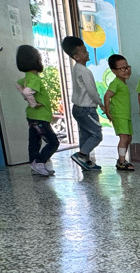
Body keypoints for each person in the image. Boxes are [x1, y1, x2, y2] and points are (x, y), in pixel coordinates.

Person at [61, 35, 105, 171]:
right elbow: (92, 91)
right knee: (97, 134)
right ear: (76, 56)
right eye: (84, 51)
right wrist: (101, 103)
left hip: (77, 108)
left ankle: (86, 161)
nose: (87, 53)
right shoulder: (85, 71)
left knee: (85, 135)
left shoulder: (76, 68)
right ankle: (81, 155)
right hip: (86, 109)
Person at [15, 44, 59, 177]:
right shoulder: (34, 79)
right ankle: (39, 162)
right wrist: (33, 103)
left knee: (34, 141)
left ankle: (35, 165)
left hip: (32, 116)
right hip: (39, 116)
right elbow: (27, 92)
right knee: (53, 142)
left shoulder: (27, 77)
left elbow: (18, 85)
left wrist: (26, 98)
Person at [105, 54, 134, 171]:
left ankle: (122, 159)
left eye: (127, 67)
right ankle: (122, 161)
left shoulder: (122, 83)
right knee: (124, 137)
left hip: (125, 115)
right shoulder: (115, 83)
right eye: (122, 68)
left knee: (128, 138)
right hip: (119, 115)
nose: (126, 70)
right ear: (114, 71)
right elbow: (107, 96)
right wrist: (108, 112)